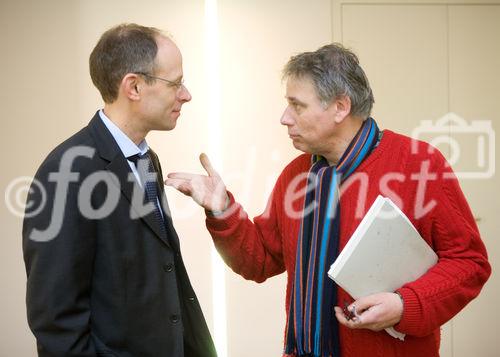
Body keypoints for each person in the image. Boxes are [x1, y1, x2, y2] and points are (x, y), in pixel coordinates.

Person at [165, 43, 491, 357]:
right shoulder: (296, 175)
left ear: (340, 107)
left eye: (297, 105)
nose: (284, 117)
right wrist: (222, 210)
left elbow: (469, 263)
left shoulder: (420, 165)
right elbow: (260, 260)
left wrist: (405, 305)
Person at [22, 23, 217, 357]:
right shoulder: (66, 170)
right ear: (134, 87)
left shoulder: (145, 159)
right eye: (176, 83)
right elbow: (56, 321)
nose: (186, 95)